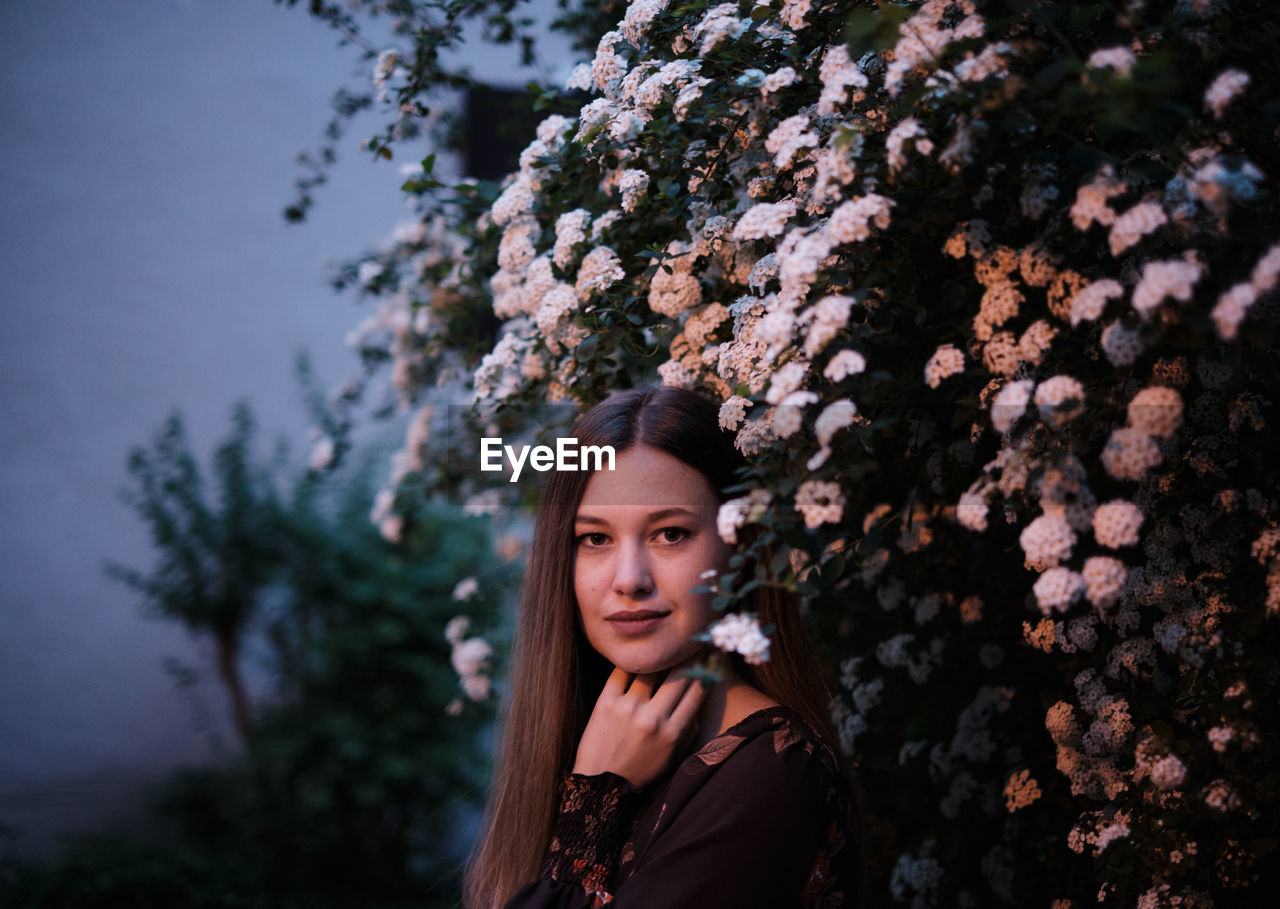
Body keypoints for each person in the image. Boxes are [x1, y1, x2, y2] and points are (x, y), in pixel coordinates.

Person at [464, 386, 859, 908]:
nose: (629, 580)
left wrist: (593, 803)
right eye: (595, 539)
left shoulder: (774, 772)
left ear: (740, 547)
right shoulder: (589, 739)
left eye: (670, 533)